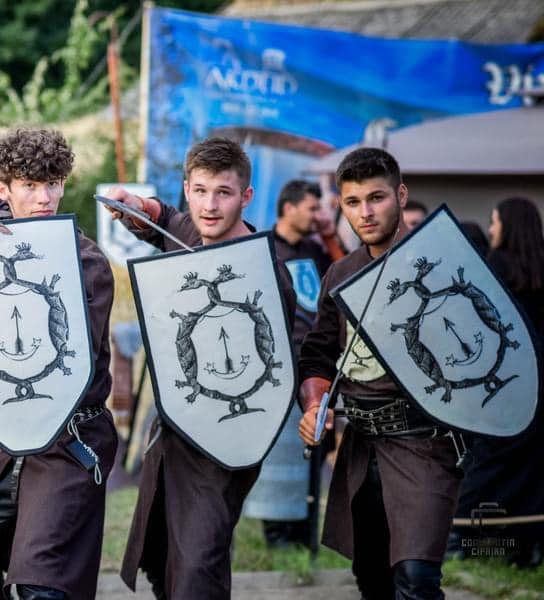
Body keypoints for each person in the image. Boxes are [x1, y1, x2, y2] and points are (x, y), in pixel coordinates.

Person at [105, 137, 296, 598]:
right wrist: (137, 205)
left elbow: (295, 349)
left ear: (246, 196)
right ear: (187, 189)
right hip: (175, 432)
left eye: (223, 193)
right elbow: (166, 221)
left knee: (197, 565)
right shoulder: (193, 231)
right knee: (169, 564)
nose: (210, 206)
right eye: (200, 191)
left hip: (230, 434)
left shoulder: (267, 268)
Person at [0, 128, 118, 600]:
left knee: (42, 585)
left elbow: (65, 359)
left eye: (52, 184)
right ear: (5, 189)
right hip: (20, 439)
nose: (43, 198)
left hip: (72, 437)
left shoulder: (85, 260)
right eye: (29, 185)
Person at [297, 148, 463, 599]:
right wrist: (315, 406)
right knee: (372, 577)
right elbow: (317, 356)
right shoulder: (341, 274)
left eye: (377, 198)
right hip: (362, 443)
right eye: (353, 202)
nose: (365, 213)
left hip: (425, 441)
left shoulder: (445, 263)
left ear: (400, 195)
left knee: (416, 576)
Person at [448, 197, 544, 567]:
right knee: (531, 471)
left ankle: (462, 540)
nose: (491, 229)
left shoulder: (495, 267)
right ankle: (527, 547)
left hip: (504, 383)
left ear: (508, 224)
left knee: (487, 463)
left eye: (494, 222)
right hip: (539, 386)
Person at [244, 179, 336, 548]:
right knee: (278, 450)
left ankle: (303, 525)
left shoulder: (315, 249)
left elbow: (345, 278)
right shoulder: (263, 248)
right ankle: (276, 530)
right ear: (289, 208)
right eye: (312, 208)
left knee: (315, 442)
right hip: (278, 363)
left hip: (315, 360)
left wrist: (329, 235)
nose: (318, 215)